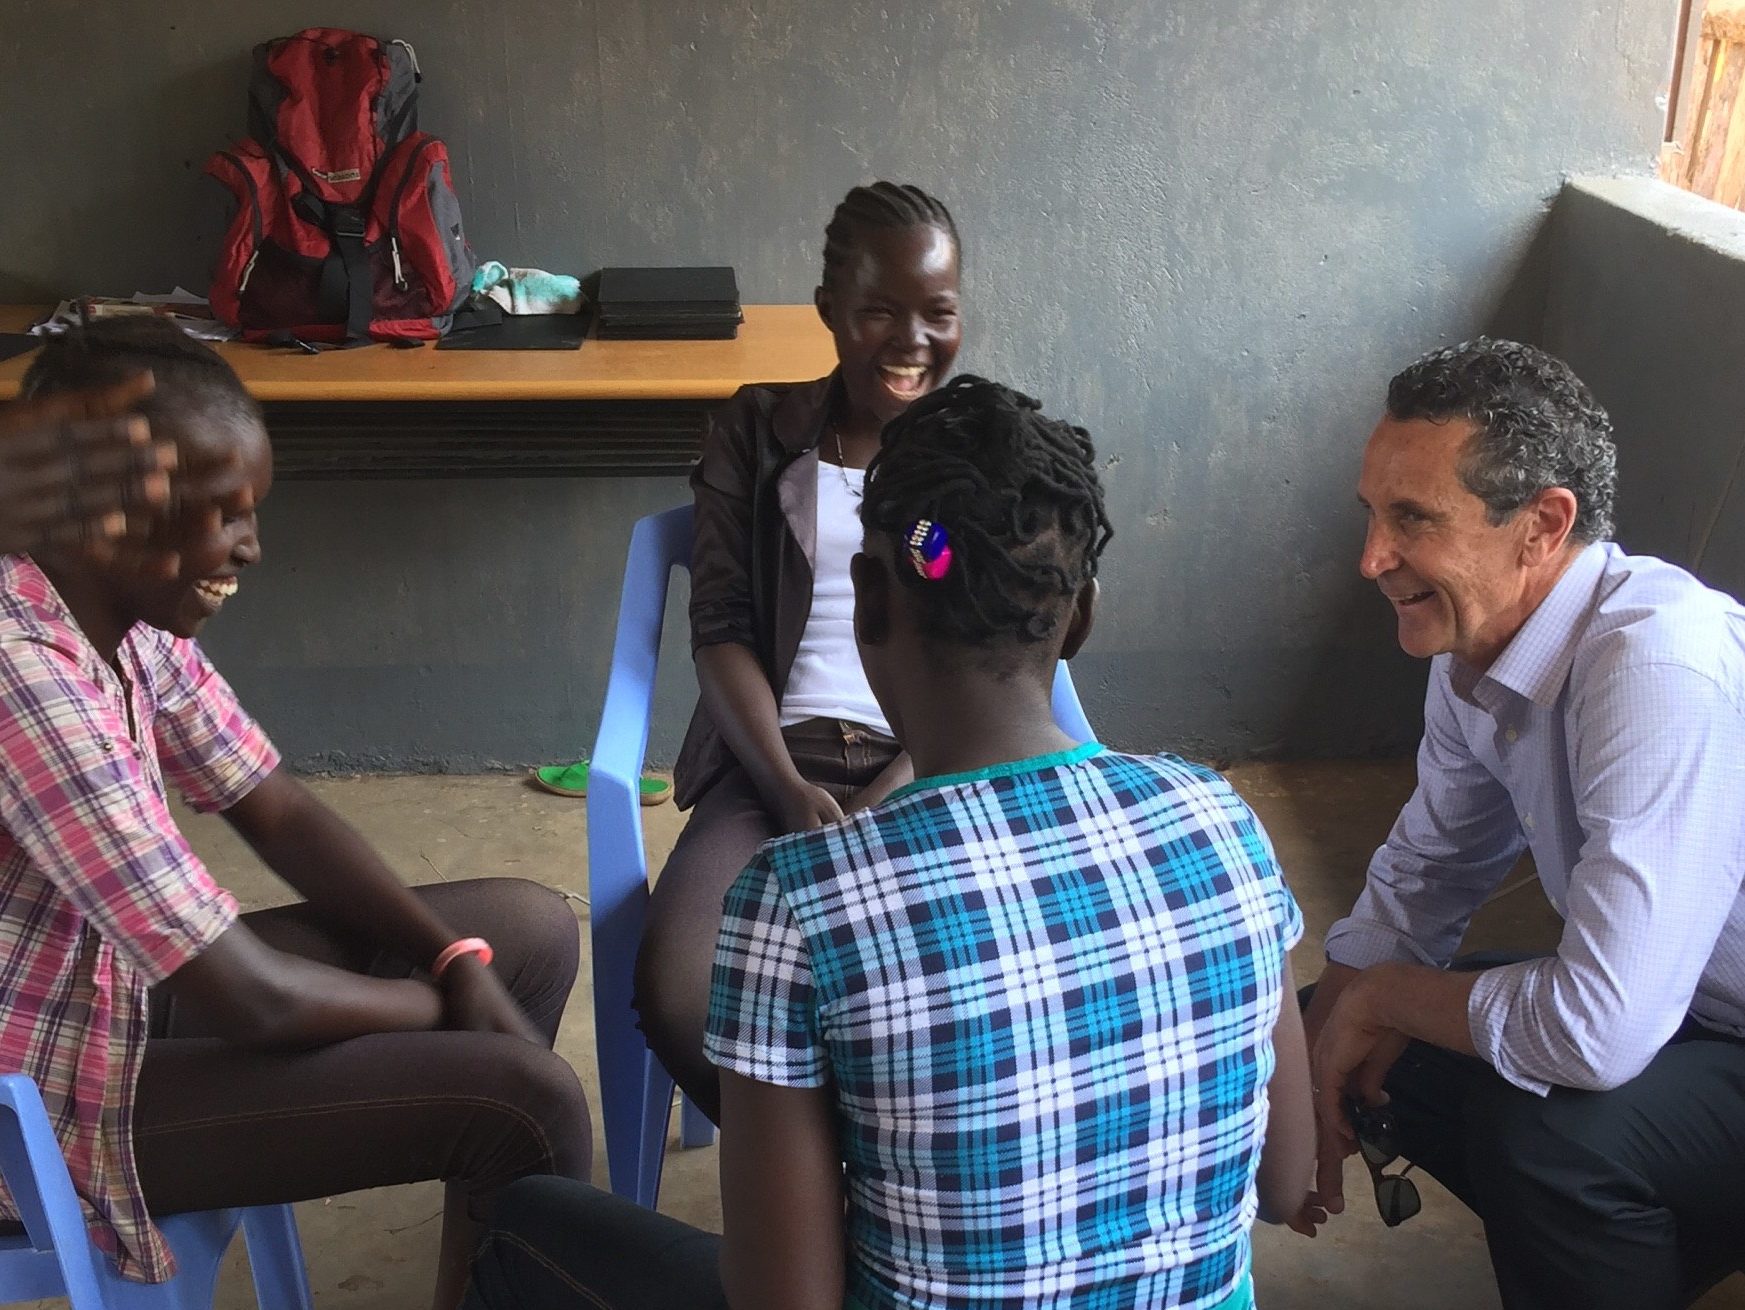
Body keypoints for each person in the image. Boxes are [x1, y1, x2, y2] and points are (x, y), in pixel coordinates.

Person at [464, 377, 1313, 1310]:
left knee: (526, 1224)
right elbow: (1282, 1185)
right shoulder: (1220, 822)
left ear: (866, 601)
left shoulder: (800, 901)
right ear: (1080, 618)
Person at [0, 319, 591, 1310]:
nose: (251, 546)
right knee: (522, 1100)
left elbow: (272, 806)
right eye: (223, 514)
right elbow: (253, 998)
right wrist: (444, 1004)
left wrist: (452, 959)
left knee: (521, 930)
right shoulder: (25, 672)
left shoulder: (116, 619)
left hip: (105, 1001)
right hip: (41, 1102)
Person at [1296, 338, 1745, 1308]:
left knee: (1551, 1140)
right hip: (1691, 1013)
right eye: (1370, 514)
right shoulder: (1473, 645)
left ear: (1541, 525)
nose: (1371, 558)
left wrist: (1380, 1000)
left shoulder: (1653, 662)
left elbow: (1601, 1029)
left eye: (1411, 519)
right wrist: (1322, 1049)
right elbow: (1426, 869)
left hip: (1710, 1026)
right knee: (1316, 1033)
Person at [636, 180, 964, 1122]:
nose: (910, 342)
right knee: (682, 989)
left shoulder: (971, 452)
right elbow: (722, 630)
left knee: (952, 999)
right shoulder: (758, 430)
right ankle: (812, 1182)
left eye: (938, 314)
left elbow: (983, 648)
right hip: (772, 767)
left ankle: (873, 1194)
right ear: (828, 310)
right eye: (877, 312)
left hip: (935, 769)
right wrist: (785, 789)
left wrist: (899, 782)